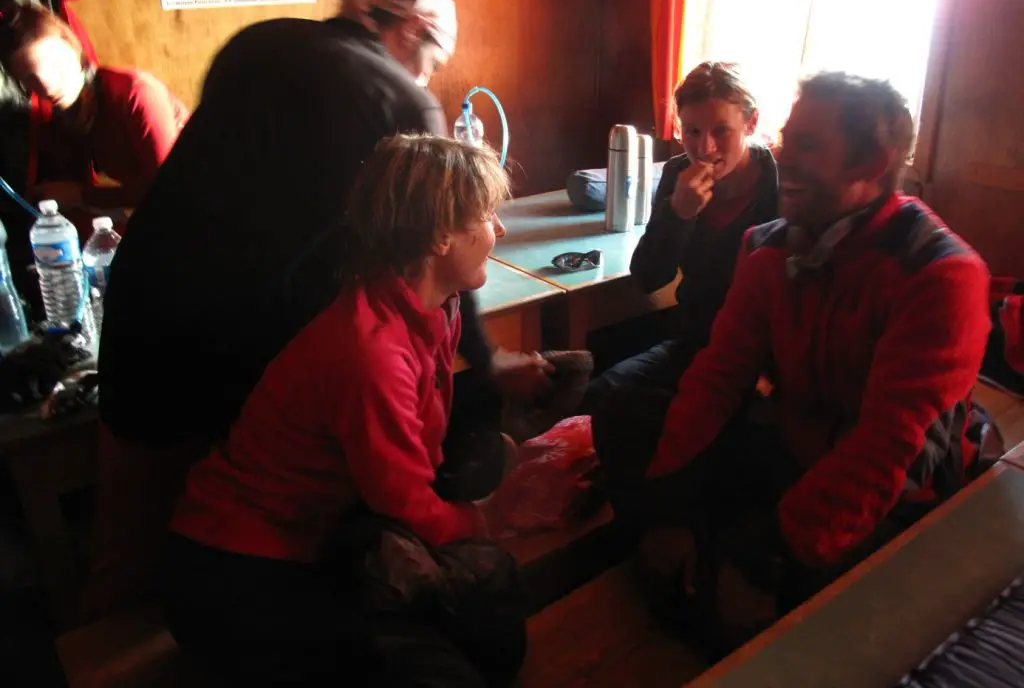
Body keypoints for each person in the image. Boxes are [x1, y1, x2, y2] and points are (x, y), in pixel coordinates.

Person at [83, 0, 548, 618]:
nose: (425, 76)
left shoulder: (262, 40)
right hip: (245, 335)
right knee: (270, 526)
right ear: (412, 29)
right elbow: (435, 246)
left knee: (131, 543)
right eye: (432, 59)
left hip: (143, 302)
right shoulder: (399, 100)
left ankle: (111, 638)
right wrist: (489, 359)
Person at [593, 72, 991, 654]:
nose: (783, 156)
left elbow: (889, 451)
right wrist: (666, 507)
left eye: (808, 145)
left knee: (759, 616)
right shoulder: (769, 248)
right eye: (787, 138)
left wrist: (769, 551)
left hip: (894, 487)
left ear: (874, 162)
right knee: (630, 422)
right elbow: (716, 377)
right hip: (793, 441)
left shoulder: (938, 275)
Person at [159, 134, 524, 687]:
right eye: (487, 215)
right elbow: (401, 501)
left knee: (494, 631)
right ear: (440, 236)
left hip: (325, 528)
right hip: (235, 569)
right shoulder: (370, 349)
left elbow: (415, 460)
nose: (499, 230)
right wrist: (492, 517)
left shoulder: (432, 309)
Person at [580, 62, 777, 412]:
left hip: (761, 358)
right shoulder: (676, 176)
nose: (705, 147)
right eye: (693, 131)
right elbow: (649, 277)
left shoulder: (780, 189)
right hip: (693, 343)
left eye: (721, 131)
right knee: (604, 394)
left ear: (752, 123)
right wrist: (678, 213)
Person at [0, 4, 187, 213]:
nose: (47, 86)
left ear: (72, 45)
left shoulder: (135, 93)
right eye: (30, 78)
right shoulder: (71, 114)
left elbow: (170, 190)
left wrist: (82, 195)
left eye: (53, 65)